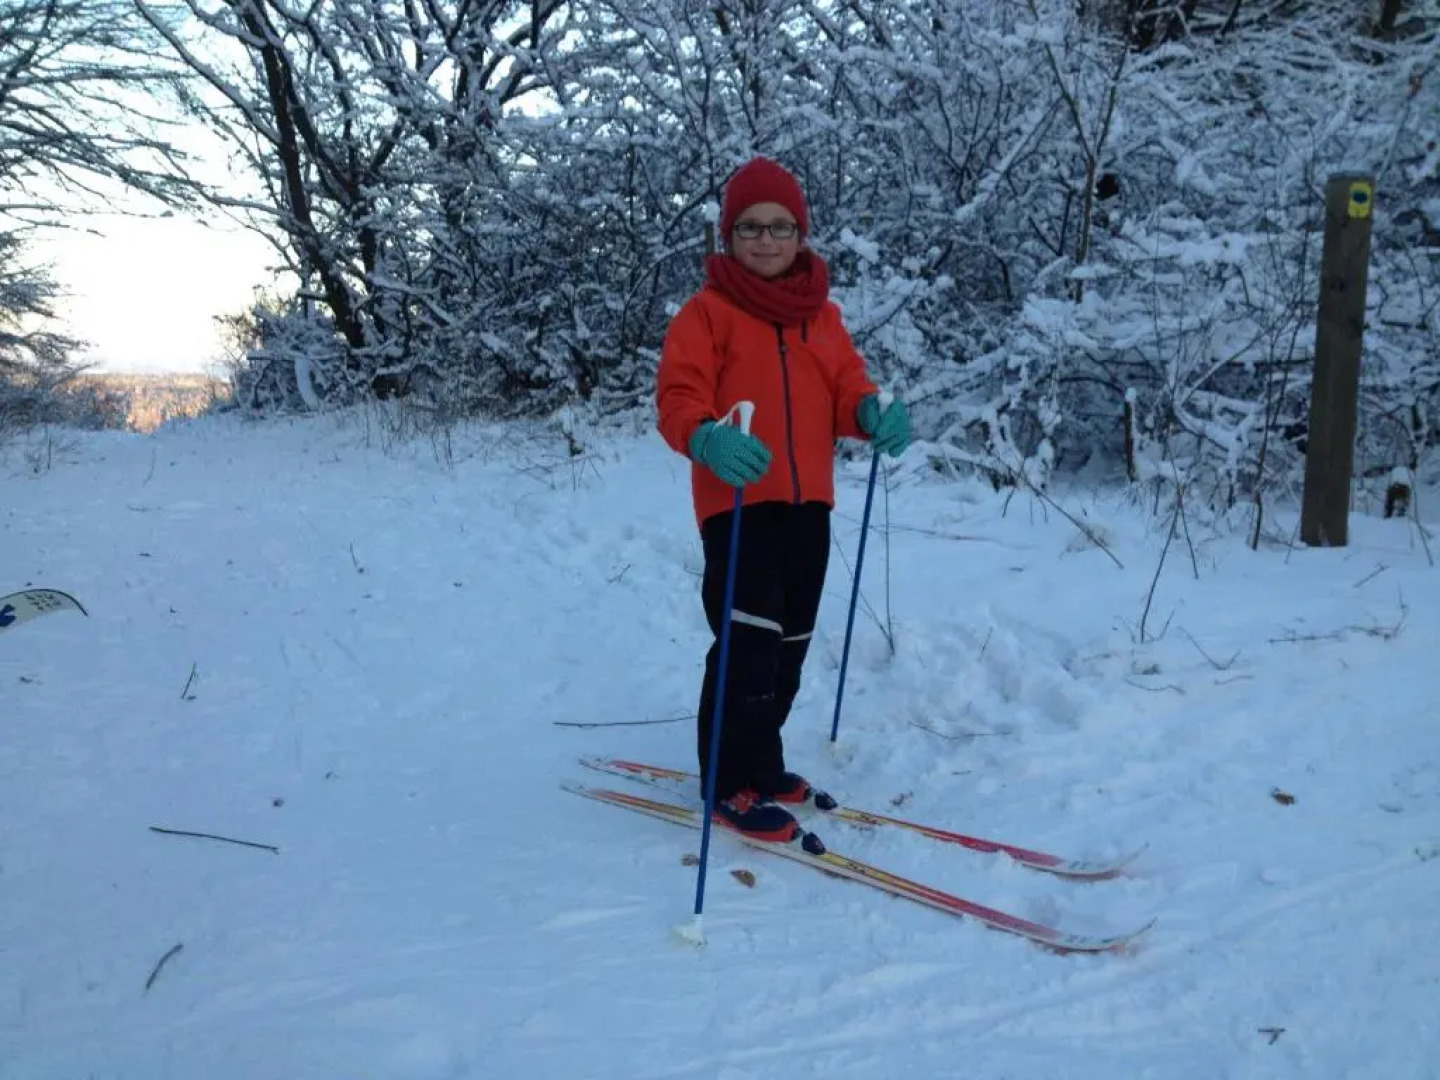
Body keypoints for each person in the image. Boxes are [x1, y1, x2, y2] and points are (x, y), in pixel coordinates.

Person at [655, 156, 911, 842]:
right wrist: (705, 437)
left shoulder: (821, 319)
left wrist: (871, 414)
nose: (765, 240)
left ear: (801, 234)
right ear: (728, 236)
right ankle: (726, 780)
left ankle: (762, 765)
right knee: (747, 644)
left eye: (779, 226)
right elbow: (678, 397)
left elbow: (848, 390)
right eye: (750, 227)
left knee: (790, 645)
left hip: (809, 507)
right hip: (738, 506)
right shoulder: (706, 315)